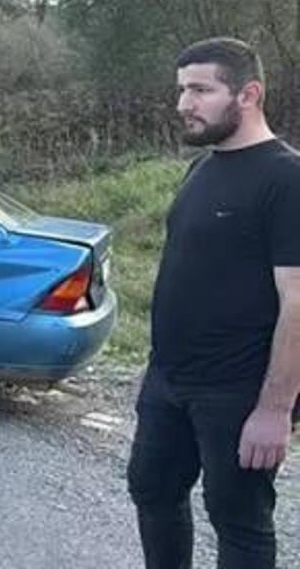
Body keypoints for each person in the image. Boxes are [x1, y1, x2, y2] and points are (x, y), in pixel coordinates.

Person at [127, 38, 300, 568]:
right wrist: (157, 370)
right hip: (170, 379)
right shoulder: (202, 167)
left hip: (237, 391)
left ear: (248, 94)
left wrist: (275, 409)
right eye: (181, 90)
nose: (184, 104)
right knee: (152, 490)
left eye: (200, 90)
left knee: (238, 520)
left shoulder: (286, 177)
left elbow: (298, 300)